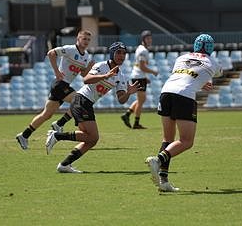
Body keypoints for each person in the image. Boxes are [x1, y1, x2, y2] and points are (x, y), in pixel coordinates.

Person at [45, 42, 140, 173]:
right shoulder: (101, 66)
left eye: (124, 53)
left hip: (87, 103)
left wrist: (128, 93)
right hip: (81, 100)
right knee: (93, 137)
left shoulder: (121, 76)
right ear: (112, 53)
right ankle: (57, 136)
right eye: (118, 52)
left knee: (91, 140)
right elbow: (87, 79)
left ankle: (64, 164)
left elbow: (121, 100)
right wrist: (105, 76)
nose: (122, 56)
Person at [145, 34, 222, 192]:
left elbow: (186, 74)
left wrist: (202, 80)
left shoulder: (181, 57)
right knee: (186, 141)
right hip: (184, 96)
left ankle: (163, 181)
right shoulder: (212, 62)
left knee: (168, 139)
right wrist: (207, 81)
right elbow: (215, 73)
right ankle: (157, 160)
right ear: (210, 48)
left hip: (166, 92)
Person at [16, 30, 95, 150]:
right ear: (78, 39)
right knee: (80, 101)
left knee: (46, 114)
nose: (86, 42)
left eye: (88, 40)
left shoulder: (86, 56)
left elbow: (83, 74)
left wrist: (89, 67)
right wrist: (57, 72)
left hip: (63, 86)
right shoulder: (70, 49)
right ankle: (59, 124)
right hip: (60, 84)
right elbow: (51, 53)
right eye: (84, 39)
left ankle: (24, 135)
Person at [121, 30, 158, 129]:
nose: (150, 40)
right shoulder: (143, 50)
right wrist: (153, 72)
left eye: (150, 38)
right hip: (138, 76)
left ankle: (127, 115)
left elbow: (140, 66)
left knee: (141, 100)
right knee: (141, 100)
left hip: (139, 76)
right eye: (147, 38)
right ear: (143, 39)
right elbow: (142, 67)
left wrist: (146, 77)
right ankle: (135, 123)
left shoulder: (141, 49)